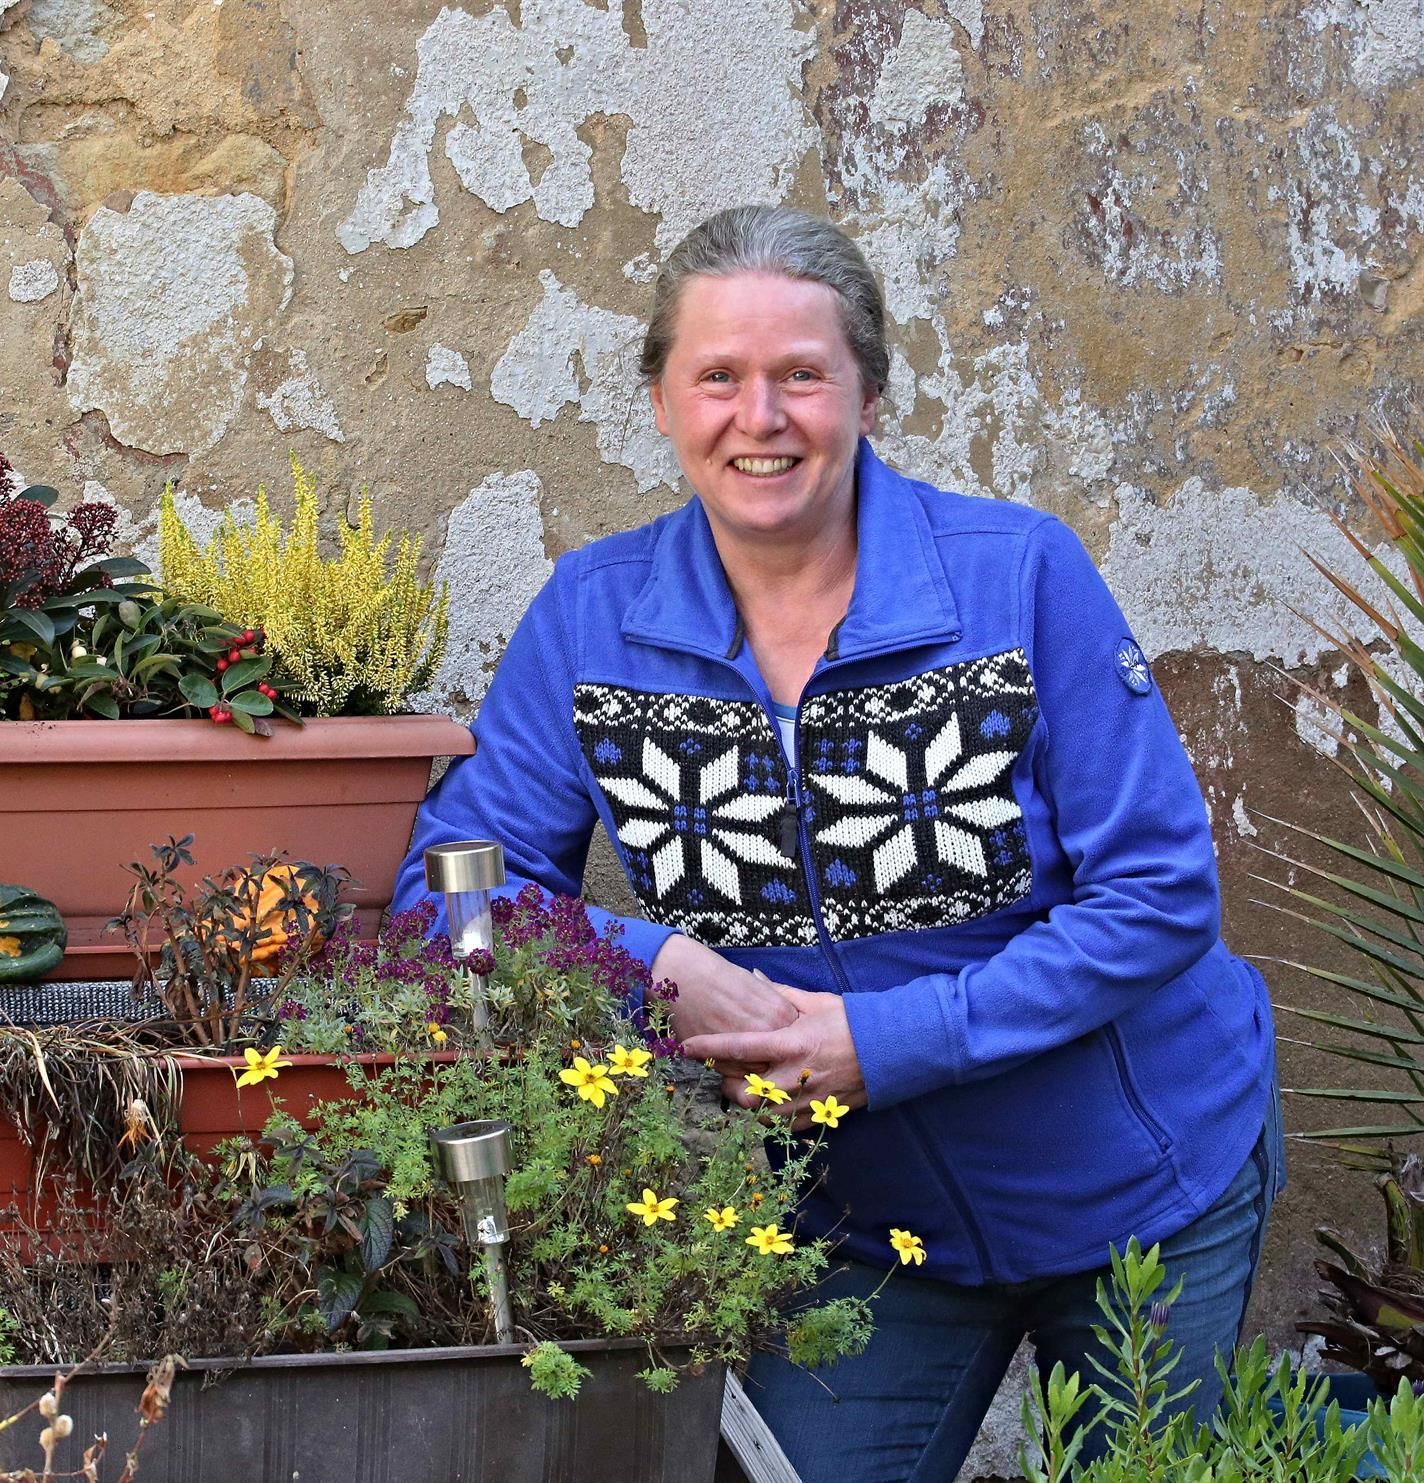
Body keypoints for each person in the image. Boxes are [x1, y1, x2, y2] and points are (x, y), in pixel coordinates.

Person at [390, 204, 1282, 1481]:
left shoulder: (1015, 579)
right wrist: (650, 962)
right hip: (867, 1236)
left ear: (865, 392)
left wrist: (887, 1041)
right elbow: (445, 898)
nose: (760, 417)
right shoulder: (592, 620)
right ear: (659, 402)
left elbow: (1156, 895)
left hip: (1141, 1187)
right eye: (717, 376)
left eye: (800, 374)